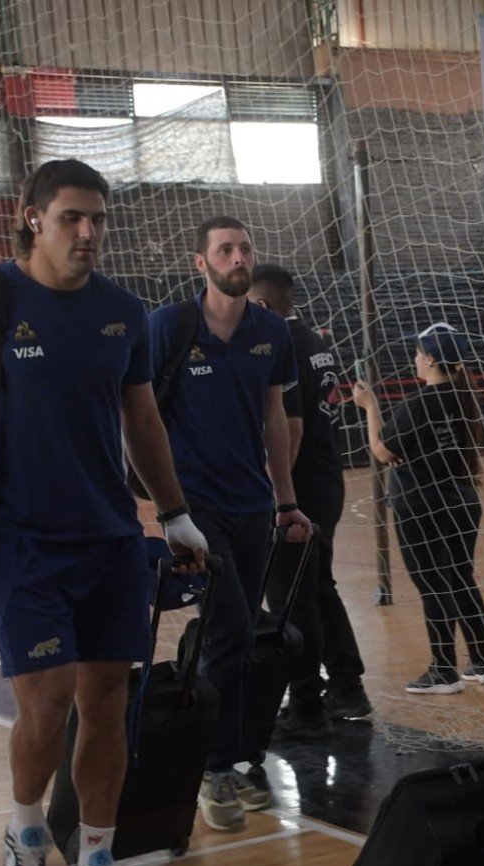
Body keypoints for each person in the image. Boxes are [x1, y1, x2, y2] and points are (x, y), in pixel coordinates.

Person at [0, 159, 209, 866]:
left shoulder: (123, 313)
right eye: (72, 216)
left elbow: (141, 420)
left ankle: (96, 865)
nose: (87, 232)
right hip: (22, 540)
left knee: (107, 702)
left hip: (109, 537)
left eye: (98, 219)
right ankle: (24, 827)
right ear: (31, 216)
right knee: (44, 704)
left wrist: (173, 514)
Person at [149, 221, 312, 824]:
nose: (238, 257)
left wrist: (286, 499)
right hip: (194, 507)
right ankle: (214, 768)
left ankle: (241, 759)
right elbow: (136, 413)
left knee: (239, 641)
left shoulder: (271, 330)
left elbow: (276, 418)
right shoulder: (169, 327)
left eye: (245, 249)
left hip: (252, 505)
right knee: (230, 631)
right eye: (226, 250)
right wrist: (163, 506)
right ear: (202, 262)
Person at [247, 263, 371, 737]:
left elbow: (291, 429)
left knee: (291, 597)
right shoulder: (315, 342)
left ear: (261, 305)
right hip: (326, 481)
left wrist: (277, 497)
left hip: (300, 488)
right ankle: (346, 685)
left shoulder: (282, 343)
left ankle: (306, 704)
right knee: (317, 587)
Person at [352, 323, 484, 694]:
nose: (415, 359)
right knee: (460, 576)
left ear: (431, 358)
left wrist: (370, 408)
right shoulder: (464, 399)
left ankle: (443, 670)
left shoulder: (418, 404)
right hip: (463, 501)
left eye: (418, 353)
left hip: (422, 504)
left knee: (432, 583)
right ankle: (482, 661)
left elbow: (384, 451)